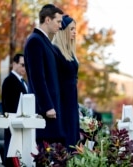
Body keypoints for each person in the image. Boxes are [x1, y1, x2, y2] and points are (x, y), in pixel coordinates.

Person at [24, 4, 66, 145]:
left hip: (53, 108)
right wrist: (47, 106)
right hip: (44, 111)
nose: (60, 26)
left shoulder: (44, 42)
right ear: (47, 20)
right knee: (44, 155)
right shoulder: (35, 41)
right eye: (58, 21)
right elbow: (37, 78)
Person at [52, 15, 80, 150]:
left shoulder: (70, 53)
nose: (75, 32)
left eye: (76, 29)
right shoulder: (55, 52)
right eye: (72, 29)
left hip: (72, 100)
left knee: (74, 139)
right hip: (62, 102)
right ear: (63, 31)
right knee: (65, 141)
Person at [1, 53, 28, 166]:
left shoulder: (24, 82)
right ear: (14, 64)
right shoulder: (9, 81)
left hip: (23, 123)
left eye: (26, 65)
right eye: (22, 65)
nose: (24, 68)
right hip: (13, 123)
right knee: (12, 154)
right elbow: (7, 105)